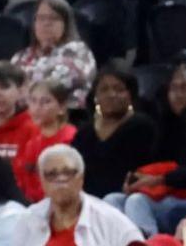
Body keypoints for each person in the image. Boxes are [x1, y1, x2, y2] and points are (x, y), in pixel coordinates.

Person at [105, 62, 186, 236]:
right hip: (170, 191)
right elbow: (158, 162)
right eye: (173, 88)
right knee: (112, 200)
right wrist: (137, 179)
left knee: (137, 202)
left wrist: (161, 180)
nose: (178, 95)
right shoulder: (170, 119)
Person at [12, 145, 143, 246]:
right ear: (42, 181)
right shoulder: (28, 221)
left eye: (68, 172)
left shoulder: (112, 222)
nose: (60, 180)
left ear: (81, 178)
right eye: (51, 174)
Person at [72, 65, 159, 197]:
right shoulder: (84, 132)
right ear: (95, 96)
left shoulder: (143, 127)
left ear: (130, 94)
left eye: (119, 89)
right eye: (104, 90)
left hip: (125, 199)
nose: (111, 95)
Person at [10, 0, 97, 110]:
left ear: (66, 24)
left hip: (65, 115)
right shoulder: (20, 56)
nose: (46, 23)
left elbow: (55, 88)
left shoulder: (77, 51)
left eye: (54, 18)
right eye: (41, 18)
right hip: (22, 115)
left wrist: (21, 91)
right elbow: (7, 89)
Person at [15, 79, 79, 203]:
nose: (37, 108)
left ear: (61, 108)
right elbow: (22, 180)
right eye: (33, 101)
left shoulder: (71, 138)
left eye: (45, 102)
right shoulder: (31, 142)